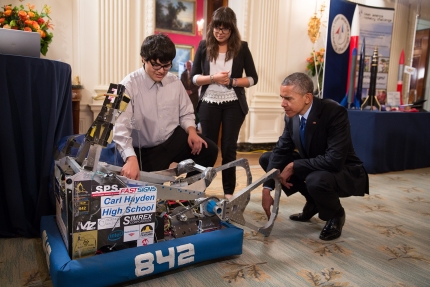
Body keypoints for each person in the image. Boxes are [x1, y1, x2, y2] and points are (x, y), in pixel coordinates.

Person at [260, 72, 369, 241]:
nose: (283, 104)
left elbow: (334, 159)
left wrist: (294, 166)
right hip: (315, 165)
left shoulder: (334, 112)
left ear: (307, 98)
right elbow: (281, 150)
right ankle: (313, 202)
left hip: (342, 169)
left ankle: (336, 214)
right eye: (282, 97)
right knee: (267, 159)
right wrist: (267, 187)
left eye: (288, 98)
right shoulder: (291, 116)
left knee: (315, 179)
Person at [113, 34, 218, 180]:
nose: (161, 71)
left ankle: (187, 197)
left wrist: (192, 132)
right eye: (156, 65)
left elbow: (186, 113)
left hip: (172, 139)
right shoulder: (128, 85)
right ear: (143, 58)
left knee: (208, 150)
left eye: (167, 65)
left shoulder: (174, 81)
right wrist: (131, 158)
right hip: (145, 150)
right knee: (151, 193)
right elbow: (120, 128)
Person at [191, 6, 258, 199]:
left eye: (225, 29)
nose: (220, 32)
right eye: (217, 28)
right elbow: (194, 78)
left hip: (233, 103)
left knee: (229, 148)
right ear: (212, 27)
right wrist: (213, 78)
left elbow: (253, 78)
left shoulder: (242, 47)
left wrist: (232, 82)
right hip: (208, 102)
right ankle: (198, 190)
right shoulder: (204, 46)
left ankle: (229, 193)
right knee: (207, 148)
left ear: (232, 30)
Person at [180, 60, 200, 126]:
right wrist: (185, 91)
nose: (188, 67)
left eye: (189, 65)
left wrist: (191, 91)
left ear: (191, 66)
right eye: (187, 66)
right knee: (186, 110)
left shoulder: (195, 74)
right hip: (186, 96)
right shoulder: (183, 74)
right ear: (185, 66)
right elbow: (181, 84)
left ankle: (195, 125)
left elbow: (198, 84)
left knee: (193, 110)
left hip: (194, 96)